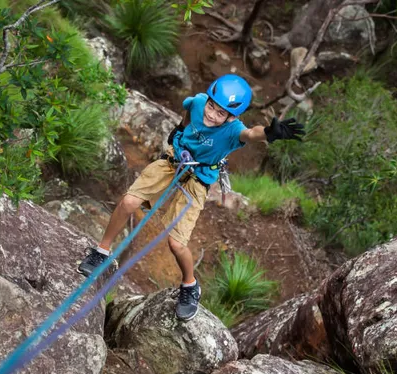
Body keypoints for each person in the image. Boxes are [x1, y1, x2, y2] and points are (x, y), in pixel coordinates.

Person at [77, 74, 305, 320]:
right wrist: (179, 130)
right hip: (175, 160)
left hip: (198, 177)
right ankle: (102, 251)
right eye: (212, 106)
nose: (211, 114)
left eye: (220, 113)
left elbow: (251, 134)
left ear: (232, 117)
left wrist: (269, 133)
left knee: (176, 244)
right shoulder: (198, 102)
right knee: (129, 202)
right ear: (207, 99)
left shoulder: (233, 131)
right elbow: (188, 112)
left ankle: (190, 285)